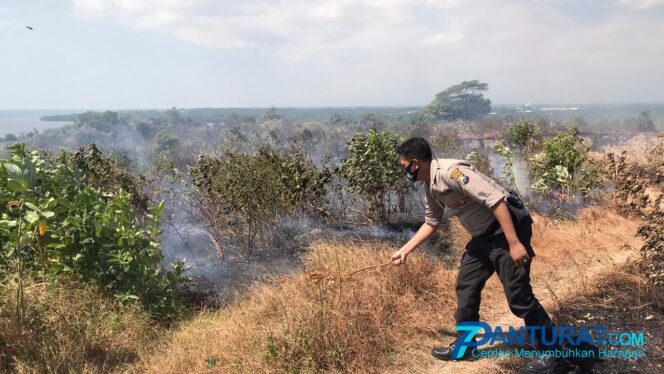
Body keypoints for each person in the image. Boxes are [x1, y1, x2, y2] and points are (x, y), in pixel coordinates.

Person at [390, 137, 576, 373]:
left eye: (403, 165)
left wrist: (514, 243)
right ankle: (466, 346)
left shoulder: (452, 172)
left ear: (415, 163)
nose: (404, 171)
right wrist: (405, 251)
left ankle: (554, 355)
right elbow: (432, 221)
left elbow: (496, 200)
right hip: (483, 237)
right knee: (466, 285)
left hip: (506, 230)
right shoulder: (430, 184)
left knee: (519, 297)